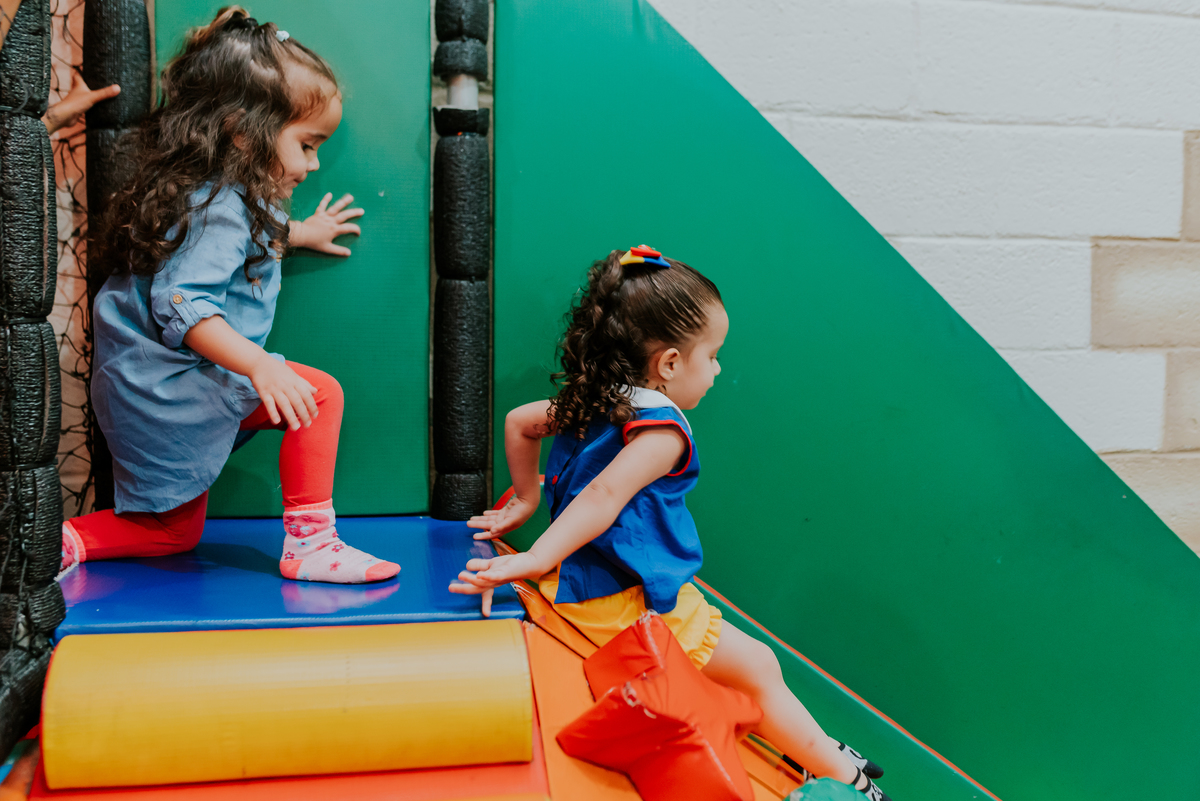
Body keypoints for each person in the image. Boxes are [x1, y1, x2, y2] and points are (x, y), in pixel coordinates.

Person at [450, 246, 890, 800]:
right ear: (671, 363)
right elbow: (604, 496)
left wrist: (526, 499)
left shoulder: (599, 399)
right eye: (713, 356)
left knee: (753, 669)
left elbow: (521, 423)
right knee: (757, 667)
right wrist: (536, 556)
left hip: (599, 580)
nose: (719, 369)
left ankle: (823, 748)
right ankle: (844, 776)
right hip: (618, 601)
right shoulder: (661, 431)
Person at [59, 7, 399, 585]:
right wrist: (259, 364)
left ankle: (62, 542)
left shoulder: (219, 193)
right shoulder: (219, 204)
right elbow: (182, 303)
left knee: (171, 534)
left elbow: (234, 246)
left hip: (144, 385)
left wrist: (300, 233)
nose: (314, 164)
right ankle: (311, 544)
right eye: (308, 144)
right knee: (318, 397)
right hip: (167, 383)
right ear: (246, 131)